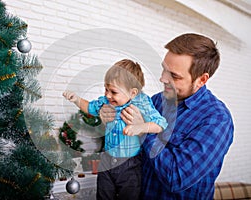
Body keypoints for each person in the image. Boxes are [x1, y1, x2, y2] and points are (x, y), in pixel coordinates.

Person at [100, 33, 234, 199]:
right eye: (164, 69)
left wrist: (143, 129)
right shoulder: (157, 100)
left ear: (201, 80)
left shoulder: (216, 120)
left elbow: (176, 177)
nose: (163, 79)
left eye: (174, 76)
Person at [63, 59, 168, 200]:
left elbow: (161, 124)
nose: (107, 95)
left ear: (132, 93)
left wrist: (141, 127)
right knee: (103, 194)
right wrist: (76, 99)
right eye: (105, 89)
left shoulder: (142, 103)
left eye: (113, 91)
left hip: (130, 164)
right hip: (107, 160)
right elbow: (90, 107)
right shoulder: (106, 102)